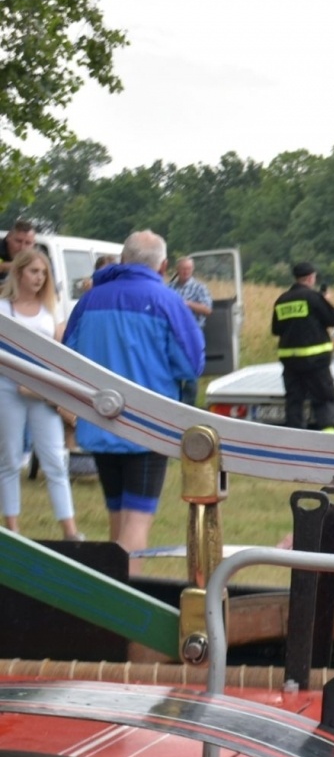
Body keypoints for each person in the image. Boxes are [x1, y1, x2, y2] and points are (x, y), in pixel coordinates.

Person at [63, 231, 203, 553]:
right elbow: (191, 364)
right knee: (137, 522)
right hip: (147, 425)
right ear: (164, 265)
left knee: (116, 518)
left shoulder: (90, 300)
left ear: (123, 260)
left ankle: (110, 592)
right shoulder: (168, 301)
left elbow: (67, 356)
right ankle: (126, 596)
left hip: (101, 421)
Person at [0, 248, 81, 540]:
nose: (39, 278)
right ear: (19, 272)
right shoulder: (3, 308)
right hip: (8, 387)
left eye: (43, 273)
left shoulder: (50, 309)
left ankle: (70, 531)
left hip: (41, 391)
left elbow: (57, 351)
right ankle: (13, 530)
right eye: (34, 272)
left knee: (55, 459)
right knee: (9, 458)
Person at [271, 261, 334, 432]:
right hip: (316, 361)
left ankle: (295, 442)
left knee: (294, 401)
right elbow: (333, 319)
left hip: (290, 362)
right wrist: (326, 301)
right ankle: (328, 440)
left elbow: (276, 329)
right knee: (324, 398)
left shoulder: (282, 300)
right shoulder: (314, 297)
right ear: (310, 278)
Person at [169, 256, 213, 406]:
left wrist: (187, 304)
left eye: (188, 269)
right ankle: (174, 404)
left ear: (192, 270)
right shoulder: (170, 288)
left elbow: (207, 309)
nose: (185, 272)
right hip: (172, 335)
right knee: (172, 372)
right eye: (183, 269)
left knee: (190, 373)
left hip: (192, 336)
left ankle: (189, 407)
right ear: (177, 270)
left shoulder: (200, 288)